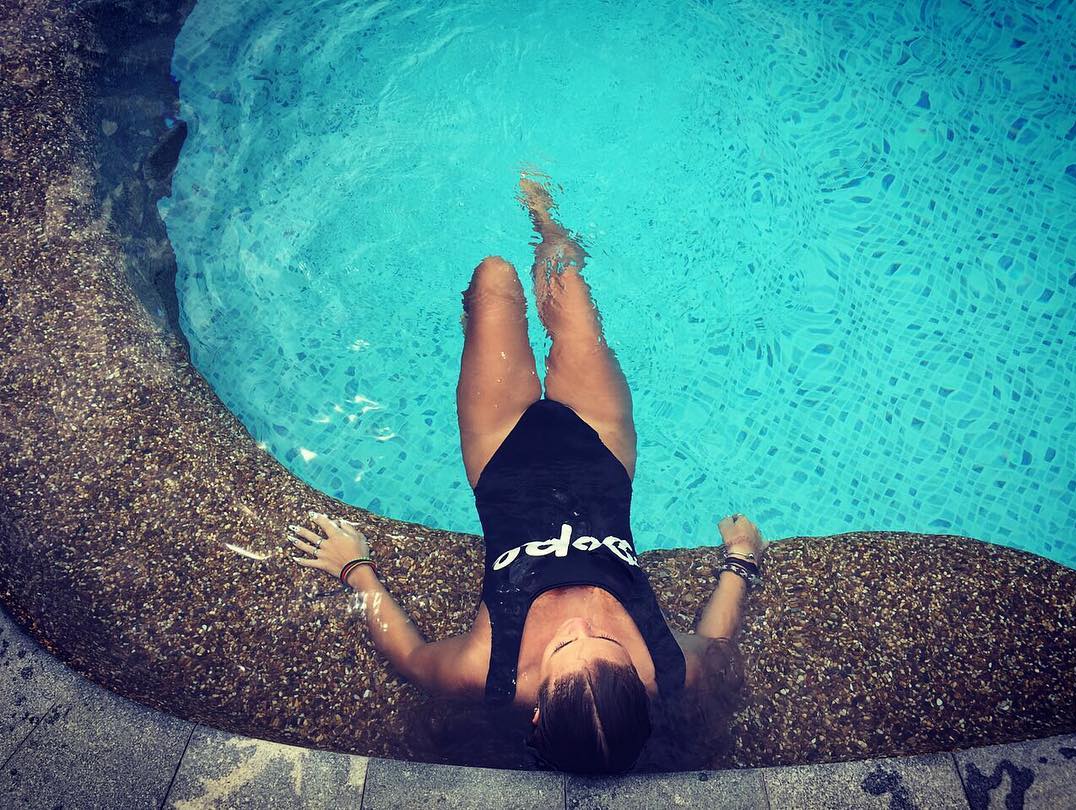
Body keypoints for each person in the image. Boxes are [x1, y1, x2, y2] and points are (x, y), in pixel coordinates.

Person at [289, 173, 768, 774]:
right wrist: (741, 560)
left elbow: (412, 659)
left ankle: (481, 334)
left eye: (566, 645)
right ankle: (544, 217)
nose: (580, 622)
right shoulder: (669, 666)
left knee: (493, 280)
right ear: (640, 682)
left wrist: (354, 569)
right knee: (567, 283)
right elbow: (719, 644)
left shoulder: (488, 671)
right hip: (599, 448)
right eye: (607, 641)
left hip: (501, 454)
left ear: (536, 712)